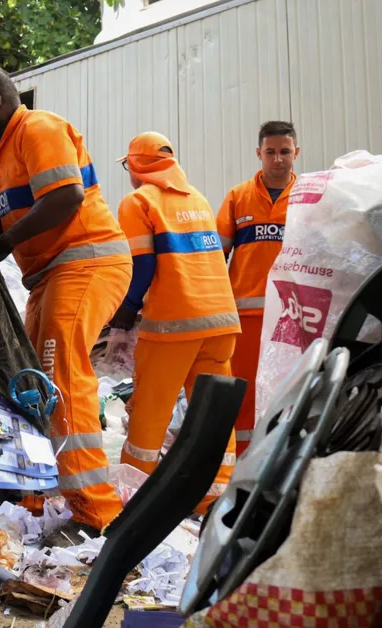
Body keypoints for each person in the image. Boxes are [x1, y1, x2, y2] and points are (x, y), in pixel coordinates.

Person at [0, 67, 131, 533]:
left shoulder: (39, 129)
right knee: (32, 381)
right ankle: (47, 497)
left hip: (85, 261)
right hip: (48, 276)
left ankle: (99, 515)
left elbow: (66, 198)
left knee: (60, 376)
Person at [110, 132, 240, 515]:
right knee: (214, 413)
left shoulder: (138, 201)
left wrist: (125, 312)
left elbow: (143, 265)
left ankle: (132, 500)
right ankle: (214, 499)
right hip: (221, 324)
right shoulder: (196, 199)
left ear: (136, 165)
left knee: (150, 414)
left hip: (174, 327)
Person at [216, 121, 300, 456]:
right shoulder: (238, 197)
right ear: (258, 154)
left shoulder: (308, 196)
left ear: (296, 153)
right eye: (271, 152)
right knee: (246, 394)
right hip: (247, 318)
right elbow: (215, 256)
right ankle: (243, 461)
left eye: (285, 152)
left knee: (288, 389)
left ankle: (282, 456)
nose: (278, 159)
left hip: (293, 315)